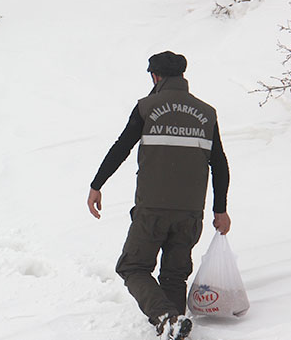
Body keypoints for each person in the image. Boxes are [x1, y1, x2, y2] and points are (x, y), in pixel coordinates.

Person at [86, 51, 230, 340]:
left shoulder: (146, 107)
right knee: (174, 276)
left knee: (132, 266)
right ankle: (175, 327)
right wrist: (220, 209)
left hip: (152, 209)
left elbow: (121, 147)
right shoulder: (207, 113)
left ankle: (165, 317)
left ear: (155, 76)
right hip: (190, 212)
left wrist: (97, 184)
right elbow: (220, 163)